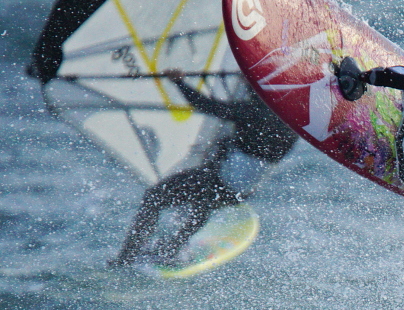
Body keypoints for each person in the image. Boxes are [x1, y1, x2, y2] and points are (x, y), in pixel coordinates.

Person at [114, 70, 297, 266]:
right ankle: (171, 249)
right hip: (241, 191)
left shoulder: (255, 111)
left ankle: (127, 257)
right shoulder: (291, 118)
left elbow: (206, 105)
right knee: (204, 202)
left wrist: (179, 82)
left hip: (220, 181)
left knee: (154, 197)